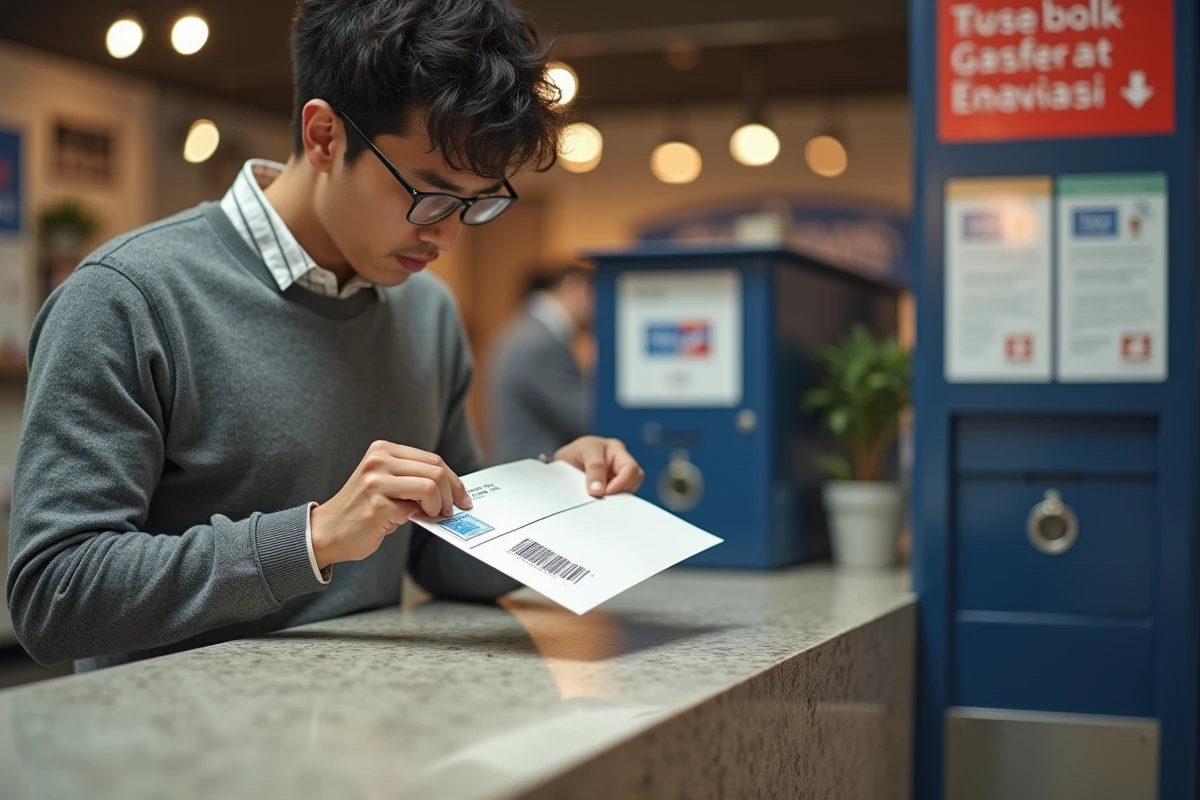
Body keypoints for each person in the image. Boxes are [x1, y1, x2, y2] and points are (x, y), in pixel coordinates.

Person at [6, 0, 644, 671]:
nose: (447, 236)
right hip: (175, 752)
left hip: (366, 739)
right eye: (428, 195)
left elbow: (441, 558)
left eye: (476, 203)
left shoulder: (427, 312)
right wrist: (312, 538)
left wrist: (557, 500)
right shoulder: (126, 299)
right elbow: (54, 595)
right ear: (323, 136)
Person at [487, 265, 595, 464]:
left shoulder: (527, 329)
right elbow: (588, 419)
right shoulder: (540, 342)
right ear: (575, 286)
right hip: (533, 477)